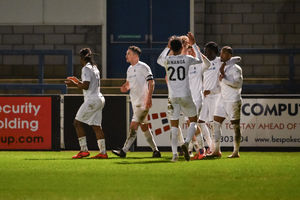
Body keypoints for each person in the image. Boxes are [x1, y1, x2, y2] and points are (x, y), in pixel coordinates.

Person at [157, 32, 209, 162]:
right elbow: (200, 60)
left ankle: (174, 155)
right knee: (193, 121)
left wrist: (167, 47)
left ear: (171, 48)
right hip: (186, 95)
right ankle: (186, 143)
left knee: (174, 127)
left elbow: (159, 60)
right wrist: (194, 44)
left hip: (173, 97)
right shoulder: (186, 59)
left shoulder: (167, 60)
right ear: (182, 47)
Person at [112, 46, 161, 158]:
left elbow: (151, 83)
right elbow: (129, 83)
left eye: (128, 53)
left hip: (143, 103)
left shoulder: (144, 67)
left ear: (135, 55)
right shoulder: (129, 69)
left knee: (133, 126)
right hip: (135, 102)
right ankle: (156, 151)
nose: (126, 56)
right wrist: (125, 87)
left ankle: (124, 150)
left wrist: (149, 98)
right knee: (144, 127)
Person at [198, 42, 241, 157]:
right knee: (202, 122)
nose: (206, 53)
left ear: (215, 52)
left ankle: (229, 151)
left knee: (215, 123)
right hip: (205, 96)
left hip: (217, 96)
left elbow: (238, 58)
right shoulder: (204, 63)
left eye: (208, 51)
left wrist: (226, 62)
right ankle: (213, 148)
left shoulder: (219, 61)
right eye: (205, 51)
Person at [65, 48, 108, 159]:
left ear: (82, 58)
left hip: (92, 100)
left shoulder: (85, 69)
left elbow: (86, 85)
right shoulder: (94, 68)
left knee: (77, 123)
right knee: (96, 126)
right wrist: (77, 81)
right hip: (99, 98)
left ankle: (84, 150)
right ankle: (103, 153)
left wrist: (74, 83)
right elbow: (88, 84)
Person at [209, 46, 243, 158]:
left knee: (235, 126)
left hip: (233, 100)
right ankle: (216, 151)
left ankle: (236, 152)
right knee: (216, 123)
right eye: (221, 53)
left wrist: (223, 79)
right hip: (222, 99)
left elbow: (238, 84)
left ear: (229, 55)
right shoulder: (224, 66)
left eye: (223, 54)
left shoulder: (236, 68)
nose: (221, 55)